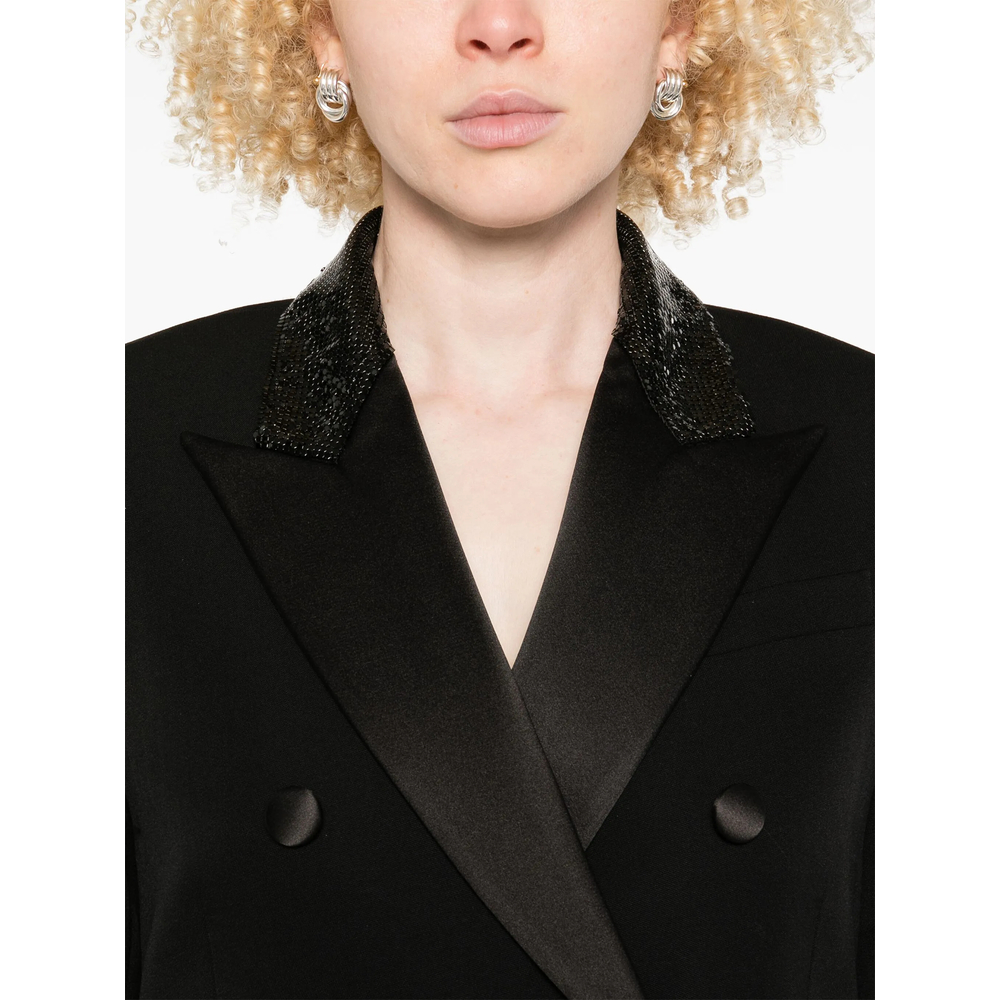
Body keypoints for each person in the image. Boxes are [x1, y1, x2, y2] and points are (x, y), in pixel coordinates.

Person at [126, 2, 874, 998]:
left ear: (682, 24)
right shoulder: (103, 450)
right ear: (321, 29)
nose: (498, 24)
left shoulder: (892, 450)